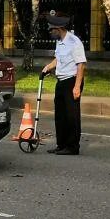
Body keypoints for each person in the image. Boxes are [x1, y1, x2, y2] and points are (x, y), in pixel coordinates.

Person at [40, 14, 86, 155]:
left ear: (58, 29)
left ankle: (72, 146)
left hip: (72, 81)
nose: (50, 32)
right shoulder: (59, 41)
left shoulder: (74, 42)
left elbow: (81, 65)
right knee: (60, 115)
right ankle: (61, 144)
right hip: (61, 81)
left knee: (71, 116)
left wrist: (77, 87)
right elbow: (58, 59)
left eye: (51, 30)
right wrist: (48, 67)